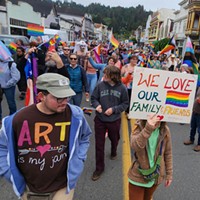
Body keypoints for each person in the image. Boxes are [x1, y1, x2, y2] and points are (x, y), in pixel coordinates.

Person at [0, 73, 92, 200]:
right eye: (59, 98)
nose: (64, 102)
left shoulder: (75, 115)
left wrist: (79, 160)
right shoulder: (17, 120)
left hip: (62, 187)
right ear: (41, 96)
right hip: (28, 189)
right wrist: (8, 173)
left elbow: (85, 137)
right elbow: (2, 147)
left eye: (67, 96)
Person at [91, 65, 129, 181]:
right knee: (99, 145)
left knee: (115, 138)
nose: (104, 76)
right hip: (100, 120)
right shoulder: (100, 85)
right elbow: (93, 98)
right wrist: (97, 105)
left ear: (113, 76)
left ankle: (114, 150)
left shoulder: (122, 88)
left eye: (106, 74)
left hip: (114, 120)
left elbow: (125, 103)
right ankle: (99, 168)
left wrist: (114, 110)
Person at [128, 114, 173, 200]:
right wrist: (148, 128)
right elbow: (135, 146)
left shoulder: (165, 130)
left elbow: (168, 153)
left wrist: (169, 174)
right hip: (138, 175)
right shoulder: (138, 126)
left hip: (155, 176)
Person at [0, 58, 20, 123]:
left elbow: (16, 77)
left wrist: (7, 84)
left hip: (9, 87)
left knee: (11, 103)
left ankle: (12, 118)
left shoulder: (11, 64)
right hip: (0, 87)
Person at [184, 87, 200, 151]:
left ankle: (199, 144)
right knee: (193, 126)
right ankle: (191, 139)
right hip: (195, 111)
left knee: (199, 130)